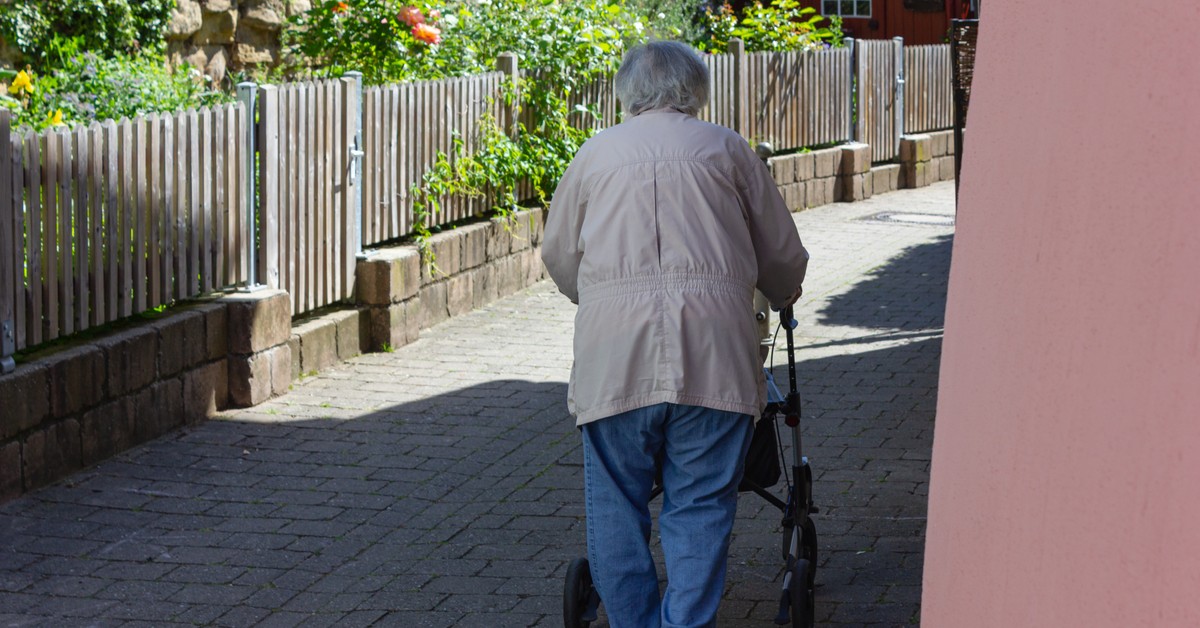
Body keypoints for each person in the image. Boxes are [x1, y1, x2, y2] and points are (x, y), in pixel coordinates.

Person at [541, 40, 810, 628]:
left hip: (615, 359)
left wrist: (597, 297)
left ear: (626, 92)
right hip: (713, 358)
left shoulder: (595, 154)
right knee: (701, 505)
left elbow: (558, 255)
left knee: (615, 506)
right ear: (696, 91)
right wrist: (783, 292)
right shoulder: (727, 149)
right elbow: (781, 255)